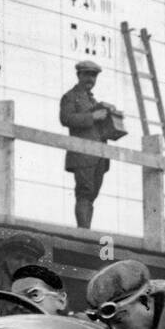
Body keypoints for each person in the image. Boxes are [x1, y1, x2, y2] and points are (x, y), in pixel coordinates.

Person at [59, 60, 114, 229]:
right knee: (84, 193)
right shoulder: (71, 96)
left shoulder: (93, 101)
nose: (91, 78)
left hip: (99, 156)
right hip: (82, 155)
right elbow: (66, 119)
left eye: (94, 75)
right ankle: (84, 231)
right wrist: (93, 117)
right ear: (79, 75)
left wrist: (109, 115)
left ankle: (86, 230)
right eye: (87, 74)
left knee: (91, 195)